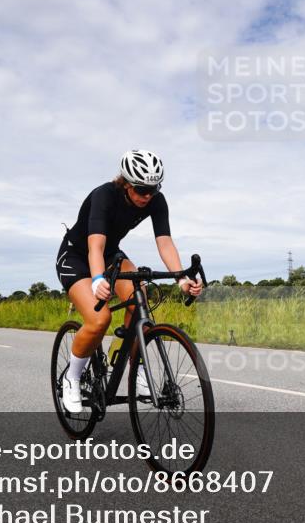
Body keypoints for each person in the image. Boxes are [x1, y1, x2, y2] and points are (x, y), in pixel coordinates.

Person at [55, 150, 203, 412]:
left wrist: (181, 278)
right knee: (99, 319)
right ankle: (72, 376)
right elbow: (95, 245)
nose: (147, 195)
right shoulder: (105, 195)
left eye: (153, 189)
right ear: (125, 183)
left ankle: (133, 366)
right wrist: (98, 278)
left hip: (111, 254)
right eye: (141, 189)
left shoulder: (155, 201)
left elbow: (165, 242)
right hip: (77, 256)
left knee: (140, 304)